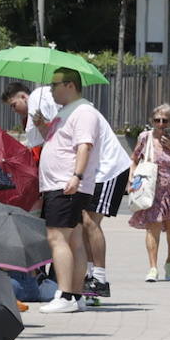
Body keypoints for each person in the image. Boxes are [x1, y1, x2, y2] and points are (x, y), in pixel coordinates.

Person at [36, 68, 106, 314]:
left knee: (57, 238)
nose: (51, 89)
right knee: (74, 239)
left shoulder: (83, 112)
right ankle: (76, 295)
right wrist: (43, 127)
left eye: (55, 84)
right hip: (61, 183)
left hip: (65, 184)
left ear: (70, 85)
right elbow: (60, 144)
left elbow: (84, 146)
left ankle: (65, 294)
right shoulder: (65, 113)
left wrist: (76, 176)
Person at [128, 103, 170, 282]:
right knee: (152, 227)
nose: (161, 124)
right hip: (151, 189)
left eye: (165, 121)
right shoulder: (145, 137)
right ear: (152, 121)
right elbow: (133, 159)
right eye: (157, 120)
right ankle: (153, 268)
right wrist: (131, 179)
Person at [80, 99, 132, 302]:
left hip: (108, 170)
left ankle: (99, 279)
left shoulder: (83, 112)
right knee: (84, 221)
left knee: (91, 221)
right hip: (93, 173)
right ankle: (91, 277)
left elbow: (84, 146)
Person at [1, 80, 57, 154]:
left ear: (23, 97)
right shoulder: (41, 95)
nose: (14, 110)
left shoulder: (34, 99)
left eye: (14, 105)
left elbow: (37, 141)